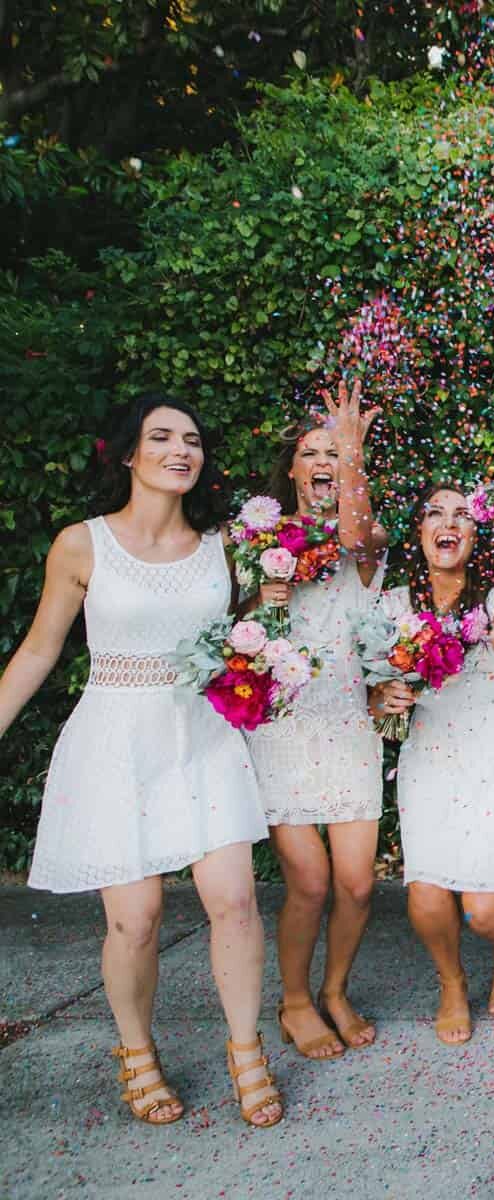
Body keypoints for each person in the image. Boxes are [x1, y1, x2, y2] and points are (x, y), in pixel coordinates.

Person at [0, 394, 282, 1127]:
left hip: (203, 737)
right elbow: (37, 650)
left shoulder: (225, 548)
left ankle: (247, 1050)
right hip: (115, 742)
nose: (179, 450)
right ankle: (137, 1053)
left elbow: (256, 641)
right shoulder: (81, 545)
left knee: (236, 900)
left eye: (191, 439)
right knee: (136, 920)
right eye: (161, 437)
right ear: (128, 454)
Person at [374, 483, 494, 1045]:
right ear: (419, 532)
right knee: (426, 895)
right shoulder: (393, 606)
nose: (447, 523)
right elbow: (370, 680)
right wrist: (383, 694)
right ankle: (451, 982)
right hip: (431, 754)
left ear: (475, 536)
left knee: (485, 909)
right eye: (435, 513)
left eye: (461, 515)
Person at [245, 380, 388, 1060]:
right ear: (294, 469)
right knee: (309, 881)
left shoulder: (370, 536)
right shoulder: (253, 539)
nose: (325, 460)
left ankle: (336, 990)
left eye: (335, 452)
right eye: (313, 452)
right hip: (283, 724)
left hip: (348, 723)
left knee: (358, 881)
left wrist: (353, 449)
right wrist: (262, 597)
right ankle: (295, 1000)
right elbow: (233, 636)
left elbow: (358, 541)